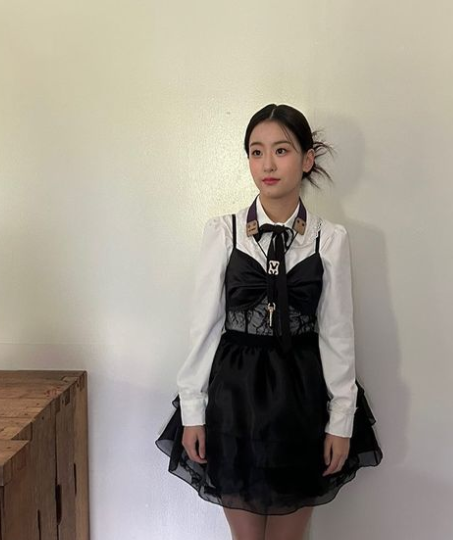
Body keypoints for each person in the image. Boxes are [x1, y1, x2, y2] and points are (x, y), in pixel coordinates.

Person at [156, 103, 383, 540]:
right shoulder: (223, 232)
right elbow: (204, 329)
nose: (267, 164)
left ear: (307, 159)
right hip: (234, 400)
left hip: (301, 399)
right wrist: (193, 411)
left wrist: (341, 420)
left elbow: (337, 334)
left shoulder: (329, 239)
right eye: (256, 152)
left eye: (281, 150)